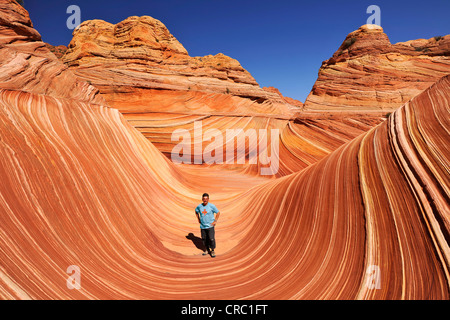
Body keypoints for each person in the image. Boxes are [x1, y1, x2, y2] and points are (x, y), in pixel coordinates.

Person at [195, 193, 220, 257]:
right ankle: (206, 249)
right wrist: (198, 219)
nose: (205, 200)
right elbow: (196, 211)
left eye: (206, 199)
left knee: (211, 238)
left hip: (210, 226)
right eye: (204, 199)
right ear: (202, 199)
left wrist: (215, 221)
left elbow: (218, 212)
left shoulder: (212, 206)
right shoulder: (199, 206)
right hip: (203, 226)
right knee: (204, 239)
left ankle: (212, 250)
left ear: (208, 199)